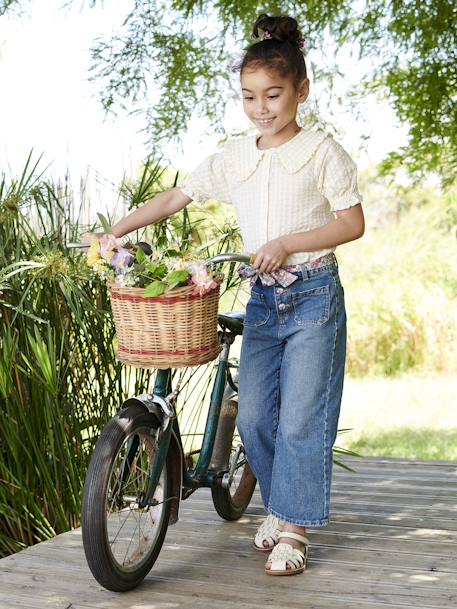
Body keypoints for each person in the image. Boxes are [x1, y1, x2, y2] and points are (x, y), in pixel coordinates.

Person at [85, 13, 365, 577]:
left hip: (313, 296)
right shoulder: (235, 156)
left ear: (301, 92)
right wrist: (117, 230)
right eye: (249, 97)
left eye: (273, 94)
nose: (262, 107)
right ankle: (278, 505)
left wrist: (286, 243)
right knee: (258, 417)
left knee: (301, 420)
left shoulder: (322, 153)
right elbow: (173, 198)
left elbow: (351, 223)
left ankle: (293, 528)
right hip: (264, 298)